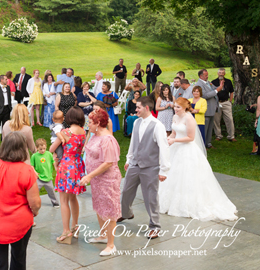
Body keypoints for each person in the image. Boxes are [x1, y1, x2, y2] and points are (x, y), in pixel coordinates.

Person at [159, 98, 238, 221]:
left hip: (187, 149)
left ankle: (189, 204)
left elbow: (190, 138)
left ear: (185, 107)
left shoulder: (189, 118)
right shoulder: (175, 117)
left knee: (188, 176)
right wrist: (168, 139)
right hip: (175, 148)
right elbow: (174, 133)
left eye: (178, 107)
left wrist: (175, 140)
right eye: (175, 106)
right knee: (172, 173)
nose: (175, 109)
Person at [0, 131, 40, 270]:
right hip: (19, 225)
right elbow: (35, 203)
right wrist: (34, 212)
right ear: (22, 149)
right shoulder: (27, 171)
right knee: (19, 260)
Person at [118, 96, 170, 239]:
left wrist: (163, 169)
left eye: (138, 107)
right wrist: (129, 159)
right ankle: (126, 213)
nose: (136, 109)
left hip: (150, 167)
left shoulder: (157, 125)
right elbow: (133, 143)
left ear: (146, 108)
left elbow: (164, 148)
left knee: (150, 197)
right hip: (135, 164)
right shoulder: (136, 123)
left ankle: (155, 226)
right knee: (126, 191)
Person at [79, 109, 122, 256]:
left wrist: (89, 176)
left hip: (108, 180)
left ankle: (111, 245)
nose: (87, 125)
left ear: (98, 123)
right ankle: (103, 235)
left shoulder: (107, 139)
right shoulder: (94, 135)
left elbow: (109, 162)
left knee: (110, 210)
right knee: (99, 206)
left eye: (90, 122)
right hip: (97, 180)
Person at [49, 107, 86, 244]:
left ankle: (66, 232)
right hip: (77, 165)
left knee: (64, 200)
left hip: (66, 166)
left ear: (69, 118)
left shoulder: (66, 132)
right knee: (73, 198)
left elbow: (52, 149)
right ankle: (75, 226)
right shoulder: (83, 132)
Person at [31, 138, 59, 208]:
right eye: (40, 149)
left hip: (48, 177)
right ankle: (33, 204)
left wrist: (56, 166)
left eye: (44, 148)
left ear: (46, 147)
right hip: (39, 178)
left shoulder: (49, 154)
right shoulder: (34, 156)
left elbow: (53, 162)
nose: (43, 150)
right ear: (36, 148)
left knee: (51, 192)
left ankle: (55, 203)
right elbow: (31, 166)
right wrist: (35, 173)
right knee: (35, 192)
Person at [211, 68, 236, 142]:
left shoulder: (228, 81)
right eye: (220, 72)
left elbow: (231, 92)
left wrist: (230, 101)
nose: (221, 74)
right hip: (217, 103)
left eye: (222, 72)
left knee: (229, 119)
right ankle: (218, 135)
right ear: (217, 73)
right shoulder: (213, 82)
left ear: (224, 74)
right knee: (216, 120)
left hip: (226, 103)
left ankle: (231, 136)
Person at [0, 75, 13, 143]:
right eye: (6, 79)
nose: (7, 81)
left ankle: (4, 138)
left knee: (5, 125)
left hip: (7, 108)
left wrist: (10, 107)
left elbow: (9, 98)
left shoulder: (8, 88)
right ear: (1, 80)